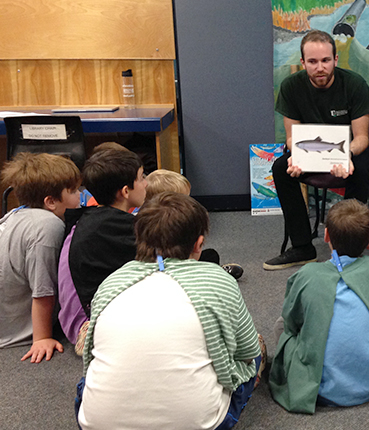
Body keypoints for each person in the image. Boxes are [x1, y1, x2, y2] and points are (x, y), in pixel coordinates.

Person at [76, 192, 261, 429]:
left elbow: (92, 356)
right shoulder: (218, 279)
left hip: (95, 424)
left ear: (138, 236)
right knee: (255, 354)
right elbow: (247, 351)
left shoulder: (112, 282)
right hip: (199, 423)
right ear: (198, 244)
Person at [269, 199, 369, 413]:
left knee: (280, 325)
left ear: (326, 237)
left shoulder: (307, 275)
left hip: (321, 391)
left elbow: (292, 321)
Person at [264, 30, 369, 270]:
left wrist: (345, 157)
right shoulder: (291, 86)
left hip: (351, 149)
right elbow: (292, 136)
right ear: (303, 62)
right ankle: (303, 246)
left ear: (335, 60)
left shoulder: (354, 84)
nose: (320, 67)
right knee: (281, 168)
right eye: (313, 62)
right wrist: (295, 156)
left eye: (326, 60)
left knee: (359, 171)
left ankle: (351, 251)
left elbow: (362, 138)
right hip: (310, 150)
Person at [57, 147, 147, 349]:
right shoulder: (117, 227)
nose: (146, 183)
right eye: (141, 178)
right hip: (89, 324)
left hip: (75, 314)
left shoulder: (95, 217)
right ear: (125, 191)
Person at [0, 152, 81, 362]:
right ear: (51, 201)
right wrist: (42, 337)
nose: (79, 196)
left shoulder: (15, 214)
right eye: (72, 191)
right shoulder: (47, 225)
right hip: (15, 331)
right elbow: (43, 287)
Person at [145, 168, 244, 280]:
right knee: (210, 257)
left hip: (163, 263)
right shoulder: (177, 223)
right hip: (170, 265)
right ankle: (211, 274)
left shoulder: (144, 219)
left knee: (211, 255)